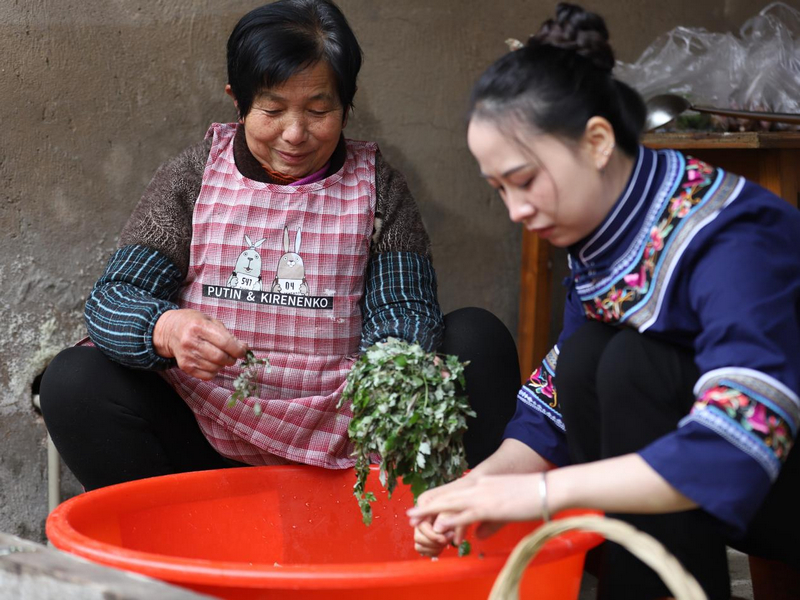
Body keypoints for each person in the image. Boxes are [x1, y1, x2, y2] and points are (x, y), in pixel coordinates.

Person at [40, 0, 519, 492]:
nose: (295, 134)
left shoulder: (379, 187)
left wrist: (387, 374)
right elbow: (114, 298)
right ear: (238, 100)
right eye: (272, 109)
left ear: (347, 105)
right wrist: (165, 328)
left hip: (346, 442)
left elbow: (403, 305)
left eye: (319, 110)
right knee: (74, 380)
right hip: (208, 432)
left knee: (476, 338)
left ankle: (436, 538)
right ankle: (189, 552)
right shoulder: (195, 174)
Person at [408, 4, 800, 599]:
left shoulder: (731, 237)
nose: (516, 210)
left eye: (526, 179)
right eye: (499, 190)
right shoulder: (605, 237)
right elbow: (559, 398)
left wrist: (542, 495)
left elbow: (742, 434)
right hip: (714, 475)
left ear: (595, 141)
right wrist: (479, 488)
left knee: (627, 363)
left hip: (770, 468)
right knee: (592, 355)